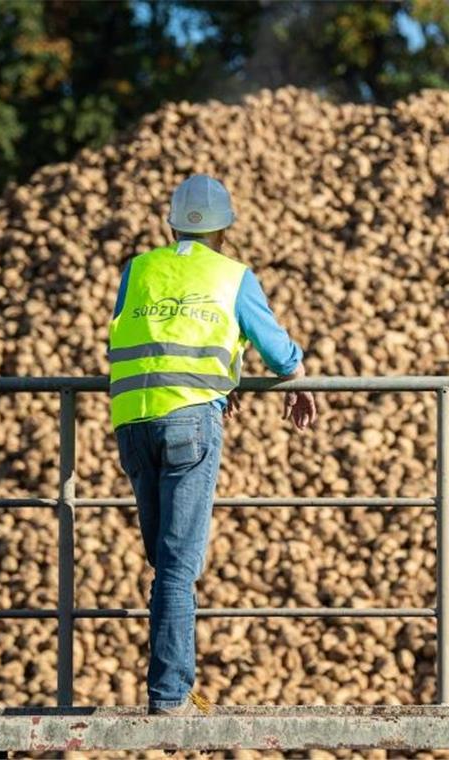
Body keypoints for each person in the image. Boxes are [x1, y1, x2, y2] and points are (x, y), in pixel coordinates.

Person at [108, 174, 318, 715]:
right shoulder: (233, 275)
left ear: (171, 222)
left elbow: (151, 335)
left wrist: (222, 376)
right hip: (189, 424)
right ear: (225, 230)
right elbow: (278, 348)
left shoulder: (138, 270)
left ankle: (168, 683)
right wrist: (293, 378)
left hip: (131, 421)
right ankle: (172, 696)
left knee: (163, 562)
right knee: (177, 568)